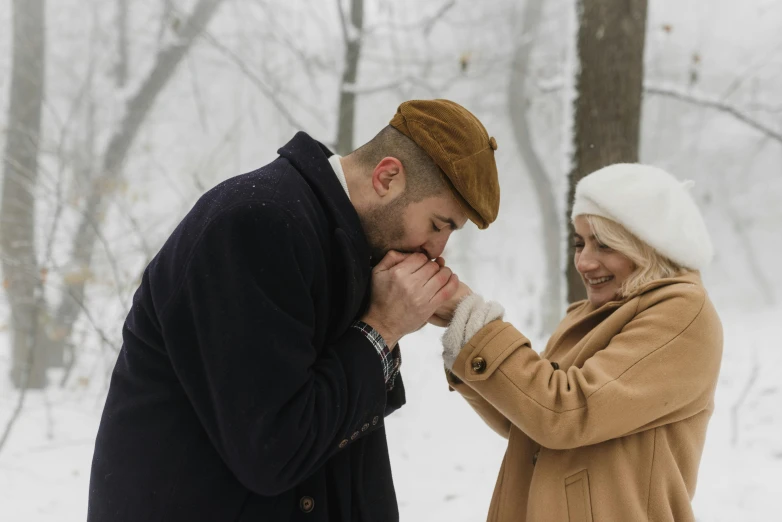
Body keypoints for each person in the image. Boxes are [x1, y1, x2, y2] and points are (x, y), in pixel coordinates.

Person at [87, 99, 501, 521]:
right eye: (438, 225)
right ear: (387, 176)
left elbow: (329, 429)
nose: (438, 251)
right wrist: (383, 327)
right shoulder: (256, 224)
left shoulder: (335, 236)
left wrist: (399, 321)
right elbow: (275, 449)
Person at [431, 163, 722, 522]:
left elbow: (567, 414)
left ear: (649, 247)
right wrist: (464, 336)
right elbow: (527, 423)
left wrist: (479, 327)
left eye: (605, 245)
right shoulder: (588, 314)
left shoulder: (682, 312)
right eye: (580, 243)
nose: (584, 262)